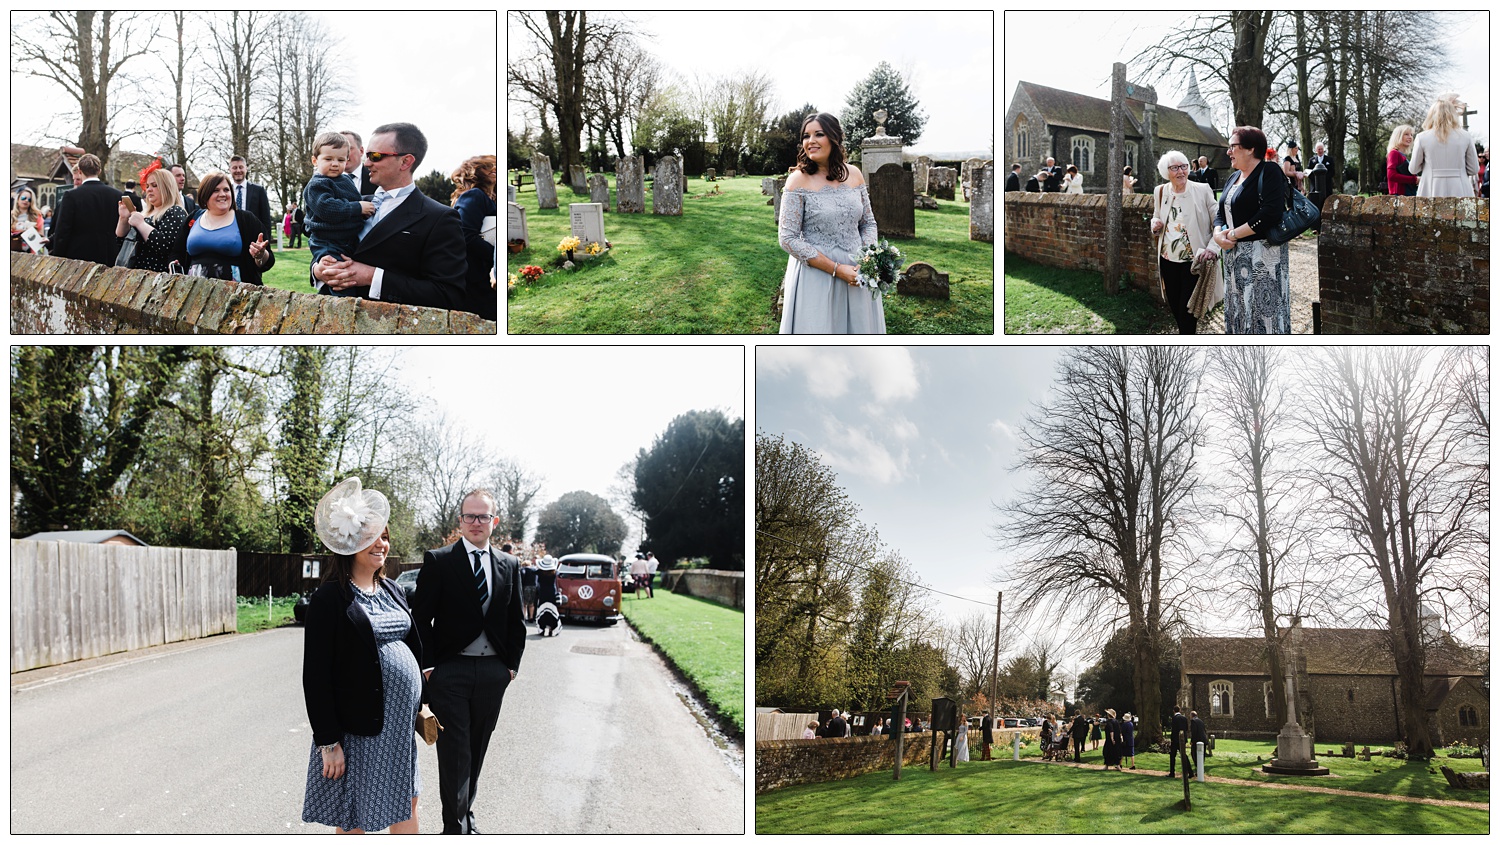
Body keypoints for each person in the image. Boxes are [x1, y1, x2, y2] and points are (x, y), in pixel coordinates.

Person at [301, 477, 422, 834]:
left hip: (399, 730)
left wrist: (423, 701)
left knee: (408, 802)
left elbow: (412, 648)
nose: (381, 543)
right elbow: (316, 676)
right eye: (372, 536)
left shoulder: (393, 590)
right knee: (358, 816)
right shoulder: (329, 599)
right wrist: (328, 742)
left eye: (385, 536)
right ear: (350, 541)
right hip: (361, 731)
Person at [411, 488, 526, 835]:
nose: (476, 522)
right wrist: (430, 668)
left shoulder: (509, 564)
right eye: (469, 516)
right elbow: (420, 618)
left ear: (495, 521)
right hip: (451, 673)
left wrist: (510, 668)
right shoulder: (440, 560)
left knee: (476, 750)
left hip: (493, 673)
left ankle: (465, 815)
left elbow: (516, 621)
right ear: (460, 520)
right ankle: (454, 828)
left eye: (483, 516)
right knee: (455, 753)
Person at [313, 122, 469, 311]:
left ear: (406, 162)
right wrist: (318, 270)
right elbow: (323, 237)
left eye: (375, 156)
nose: (367, 163)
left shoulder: (439, 218)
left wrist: (373, 277)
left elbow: (448, 294)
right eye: (367, 155)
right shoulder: (354, 204)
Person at [777, 112, 882, 334]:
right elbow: (787, 238)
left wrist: (868, 258)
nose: (810, 141)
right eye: (806, 136)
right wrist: (836, 269)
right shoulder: (798, 180)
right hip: (816, 274)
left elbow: (868, 223)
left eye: (819, 134)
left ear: (834, 138)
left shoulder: (854, 174)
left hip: (857, 273)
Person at [1214, 126, 1291, 334]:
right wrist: (1217, 233)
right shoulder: (1233, 178)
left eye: (1233, 146)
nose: (1228, 152)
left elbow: (1270, 213)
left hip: (1263, 259)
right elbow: (1220, 212)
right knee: (1238, 310)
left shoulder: (1270, 172)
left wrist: (1233, 234)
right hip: (1233, 258)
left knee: (1263, 316)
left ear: (1250, 149)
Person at [1150, 150, 1222, 335]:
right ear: (1166, 172)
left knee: (1188, 310)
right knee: (1174, 305)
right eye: (1175, 168)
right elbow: (1157, 216)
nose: (1181, 171)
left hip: (1194, 262)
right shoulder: (1160, 191)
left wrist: (1213, 248)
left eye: (1184, 166)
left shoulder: (1202, 189)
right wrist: (1154, 224)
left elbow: (1219, 221)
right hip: (1167, 260)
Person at [184, 170, 275, 284]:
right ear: (205, 194)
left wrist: (261, 255)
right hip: (196, 291)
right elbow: (177, 253)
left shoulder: (247, 220)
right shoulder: (194, 217)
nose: (222, 194)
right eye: (216, 190)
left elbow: (268, 260)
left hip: (235, 295)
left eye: (226, 190)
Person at [302, 131, 377, 265]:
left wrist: (371, 200)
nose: (335, 164)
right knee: (336, 274)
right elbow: (327, 208)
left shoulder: (344, 180)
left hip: (348, 240)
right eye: (328, 159)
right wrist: (358, 207)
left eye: (341, 160)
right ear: (315, 160)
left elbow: (355, 198)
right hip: (328, 242)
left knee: (352, 271)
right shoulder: (317, 184)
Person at [115, 160, 189, 272]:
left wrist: (140, 224)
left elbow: (166, 246)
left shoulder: (175, 211)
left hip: (157, 277)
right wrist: (123, 219)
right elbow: (122, 243)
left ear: (167, 187)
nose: (149, 189)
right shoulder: (145, 213)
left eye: (154, 185)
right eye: (148, 185)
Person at [48, 154, 122, 265]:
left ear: (80, 171)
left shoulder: (71, 196)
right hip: (109, 257)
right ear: (99, 171)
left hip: (78, 258)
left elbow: (63, 231)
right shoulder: (116, 195)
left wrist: (58, 258)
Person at [451, 154, 499, 321]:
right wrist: (496, 254)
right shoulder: (474, 195)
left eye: (494, 165)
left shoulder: (492, 197)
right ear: (475, 172)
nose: (494, 169)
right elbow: (465, 235)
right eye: (487, 167)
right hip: (477, 274)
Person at [1410, 93, 1480, 198]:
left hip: (1430, 189)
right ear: (1453, 114)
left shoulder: (1422, 137)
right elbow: (1473, 169)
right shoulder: (1466, 137)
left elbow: (1413, 169)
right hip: (1460, 188)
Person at [226, 154, 273, 235]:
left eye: (241, 167)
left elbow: (266, 220)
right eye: (234, 168)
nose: (238, 170)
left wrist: (266, 242)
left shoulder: (259, 190)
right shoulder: (226, 191)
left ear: (246, 169)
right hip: (231, 236)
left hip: (253, 238)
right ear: (230, 170)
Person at [1385, 124, 1419, 196]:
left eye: (1411, 135)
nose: (1410, 137)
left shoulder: (1402, 155)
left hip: (1407, 194)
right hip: (1399, 195)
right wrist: (1415, 180)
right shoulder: (1394, 153)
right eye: (1406, 134)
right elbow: (1391, 175)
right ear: (1398, 136)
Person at [341, 130, 378, 196]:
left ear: (361, 151)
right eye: (338, 149)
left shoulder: (378, 178)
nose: (342, 154)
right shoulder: (325, 181)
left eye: (348, 149)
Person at [11, 187, 44, 252]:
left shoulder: (37, 216)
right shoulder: (11, 215)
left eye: (29, 200)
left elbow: (41, 235)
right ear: (18, 199)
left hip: (30, 252)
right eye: (23, 198)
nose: (26, 200)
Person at [1169, 705, 1189, 777]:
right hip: (1183, 739)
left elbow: (1174, 730)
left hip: (1175, 740)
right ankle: (1190, 772)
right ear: (1179, 710)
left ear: (1174, 711)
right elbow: (1186, 728)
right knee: (1184, 755)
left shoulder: (1174, 718)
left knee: (1172, 756)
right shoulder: (1184, 718)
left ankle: (1172, 772)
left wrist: (1172, 739)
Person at [1187, 710, 1208, 777]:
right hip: (1203, 740)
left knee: (1194, 755)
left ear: (1191, 715)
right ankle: (1200, 770)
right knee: (1202, 755)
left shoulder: (1193, 721)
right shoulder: (1201, 721)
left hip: (1197, 741)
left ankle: (1199, 770)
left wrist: (1192, 741)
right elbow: (1204, 730)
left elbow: (1194, 732)